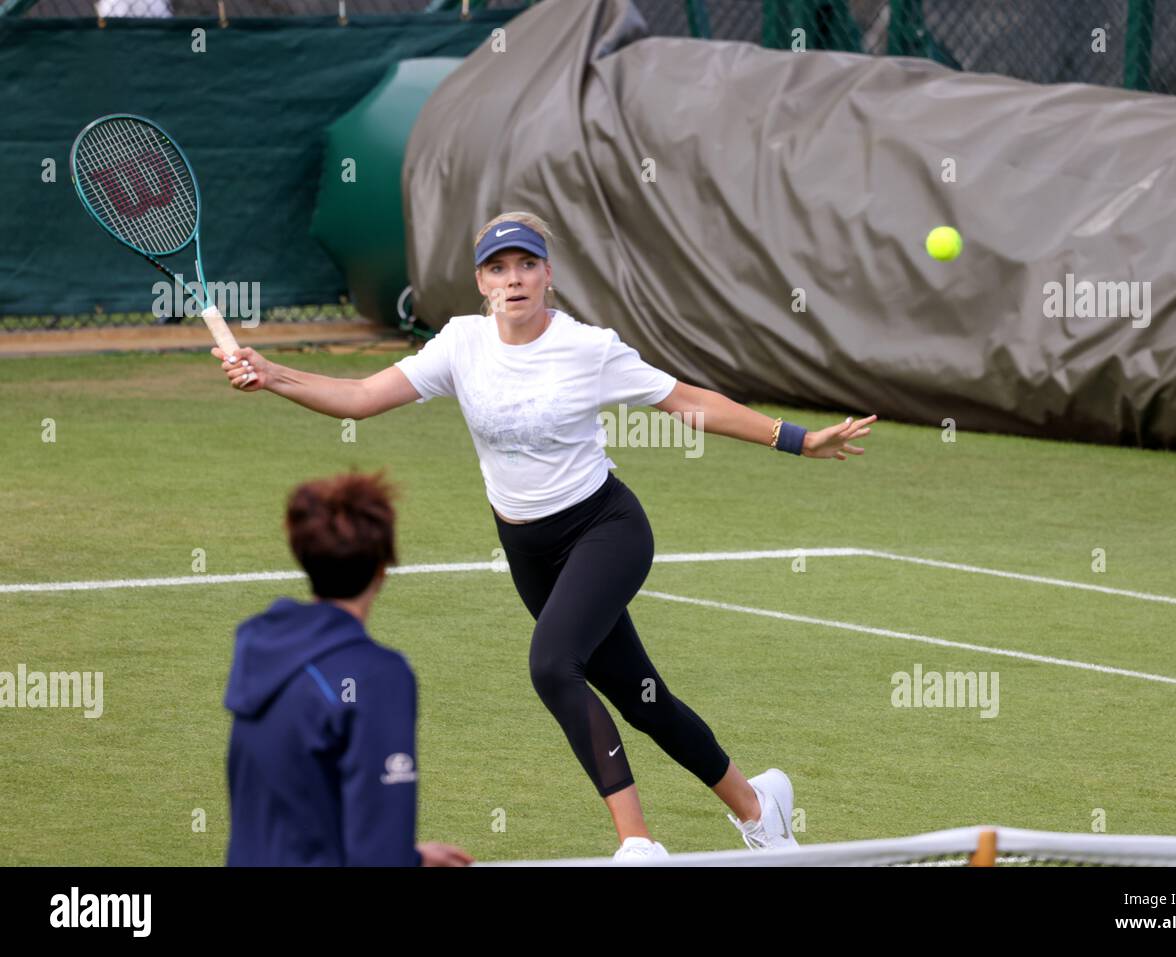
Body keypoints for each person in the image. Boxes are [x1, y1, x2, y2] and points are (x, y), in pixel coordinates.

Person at [212, 211, 875, 861]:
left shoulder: (588, 349)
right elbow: (359, 395)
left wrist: (799, 439)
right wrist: (271, 374)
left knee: (552, 665)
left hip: (605, 529)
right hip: (528, 550)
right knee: (643, 697)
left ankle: (638, 842)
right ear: (481, 282)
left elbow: (685, 402)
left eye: (527, 263)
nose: (514, 277)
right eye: (498, 267)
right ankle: (758, 806)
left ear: (549, 274)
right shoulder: (461, 345)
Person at [224, 470, 472, 867]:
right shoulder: (377, 677)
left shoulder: (260, 647)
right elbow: (378, 852)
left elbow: (299, 812)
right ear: (382, 568)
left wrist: (413, 858)